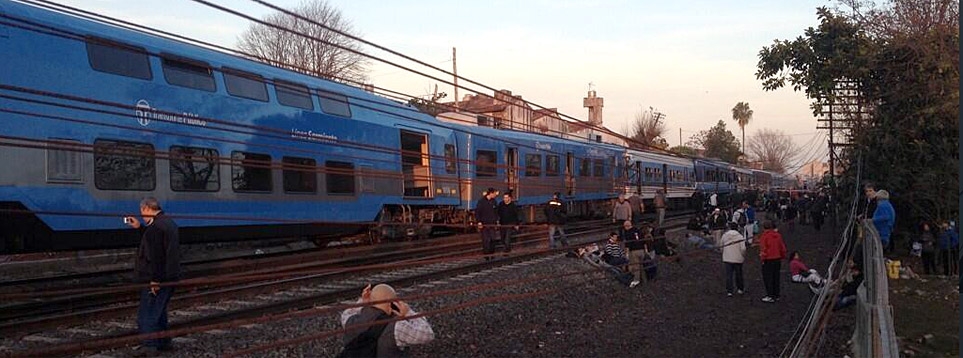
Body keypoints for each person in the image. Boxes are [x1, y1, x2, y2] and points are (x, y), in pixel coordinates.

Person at [124, 197, 180, 354]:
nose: (142, 215)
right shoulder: (168, 223)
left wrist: (155, 280)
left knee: (147, 313)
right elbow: (157, 243)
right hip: (171, 276)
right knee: (159, 311)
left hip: (157, 277)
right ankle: (163, 342)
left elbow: (156, 255)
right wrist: (140, 228)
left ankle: (149, 345)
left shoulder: (155, 228)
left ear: (147, 208)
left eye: (142, 211)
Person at [339, 284, 434, 357]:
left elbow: (348, 312)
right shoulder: (397, 326)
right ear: (393, 303)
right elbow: (427, 334)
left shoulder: (349, 320)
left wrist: (364, 302)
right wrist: (408, 313)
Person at [758, 220, 787, 303]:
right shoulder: (778, 235)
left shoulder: (764, 236)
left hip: (768, 259)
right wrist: (783, 256)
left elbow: (763, 249)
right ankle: (776, 294)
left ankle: (770, 295)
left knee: (768, 278)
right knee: (776, 276)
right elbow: (782, 247)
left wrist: (762, 259)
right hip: (777, 259)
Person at [721, 222, 747, 297]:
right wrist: (743, 255)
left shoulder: (725, 236)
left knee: (729, 275)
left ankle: (729, 291)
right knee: (738, 274)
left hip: (727, 258)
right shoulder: (740, 237)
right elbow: (743, 248)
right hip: (738, 258)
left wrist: (724, 253)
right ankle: (740, 288)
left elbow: (721, 245)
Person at [476, 188, 499, 259]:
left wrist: (497, 221)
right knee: (485, 240)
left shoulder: (494, 202)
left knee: (493, 239)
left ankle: (492, 254)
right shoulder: (481, 202)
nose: (495, 195)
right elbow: (478, 212)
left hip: (492, 223)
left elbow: (496, 212)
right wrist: (479, 222)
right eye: (494, 193)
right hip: (484, 224)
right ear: (491, 193)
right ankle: (486, 255)